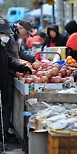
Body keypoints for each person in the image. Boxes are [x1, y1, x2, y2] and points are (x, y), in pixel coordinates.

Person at [0, 18, 32, 149]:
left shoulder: (1, 46)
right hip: (4, 77)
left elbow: (8, 60)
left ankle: (2, 137)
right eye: (4, 34)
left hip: (4, 77)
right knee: (5, 106)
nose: (7, 37)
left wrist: (21, 67)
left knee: (5, 106)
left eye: (7, 35)